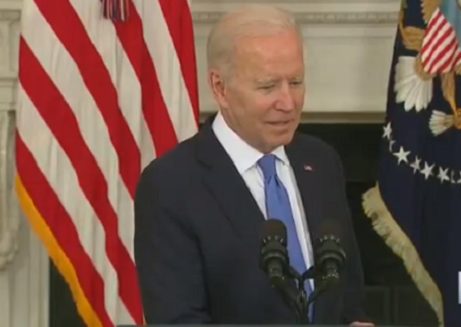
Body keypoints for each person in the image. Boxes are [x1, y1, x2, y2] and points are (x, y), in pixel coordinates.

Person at [134, 5, 373, 326]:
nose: (288, 103)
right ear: (220, 88)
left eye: (296, 82)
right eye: (268, 86)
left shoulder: (321, 162)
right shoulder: (171, 185)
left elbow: (347, 294)